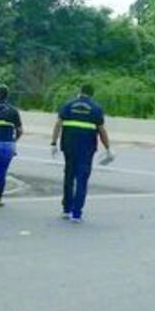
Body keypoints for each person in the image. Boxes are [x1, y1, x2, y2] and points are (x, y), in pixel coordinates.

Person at [50, 84, 113, 222]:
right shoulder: (96, 109)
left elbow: (58, 124)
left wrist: (53, 143)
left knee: (69, 176)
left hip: (69, 147)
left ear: (80, 92)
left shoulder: (68, 105)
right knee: (82, 179)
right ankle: (77, 213)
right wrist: (108, 148)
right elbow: (101, 130)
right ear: (92, 94)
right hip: (86, 149)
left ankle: (66, 209)